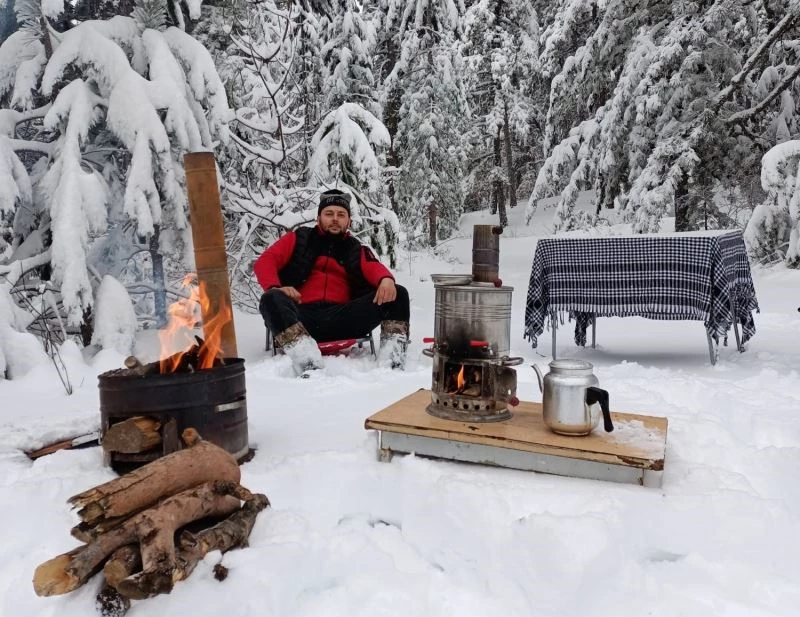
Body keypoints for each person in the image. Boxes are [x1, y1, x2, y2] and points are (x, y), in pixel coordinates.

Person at [254, 189, 410, 375]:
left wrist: (385, 279)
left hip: (344, 319)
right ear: (318, 218)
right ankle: (307, 361)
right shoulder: (298, 238)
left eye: (341, 214)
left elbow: (373, 267)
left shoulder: (355, 248)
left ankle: (392, 363)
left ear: (348, 221)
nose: (335, 219)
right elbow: (265, 261)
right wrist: (277, 287)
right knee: (271, 297)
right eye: (329, 213)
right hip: (301, 319)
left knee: (398, 293)